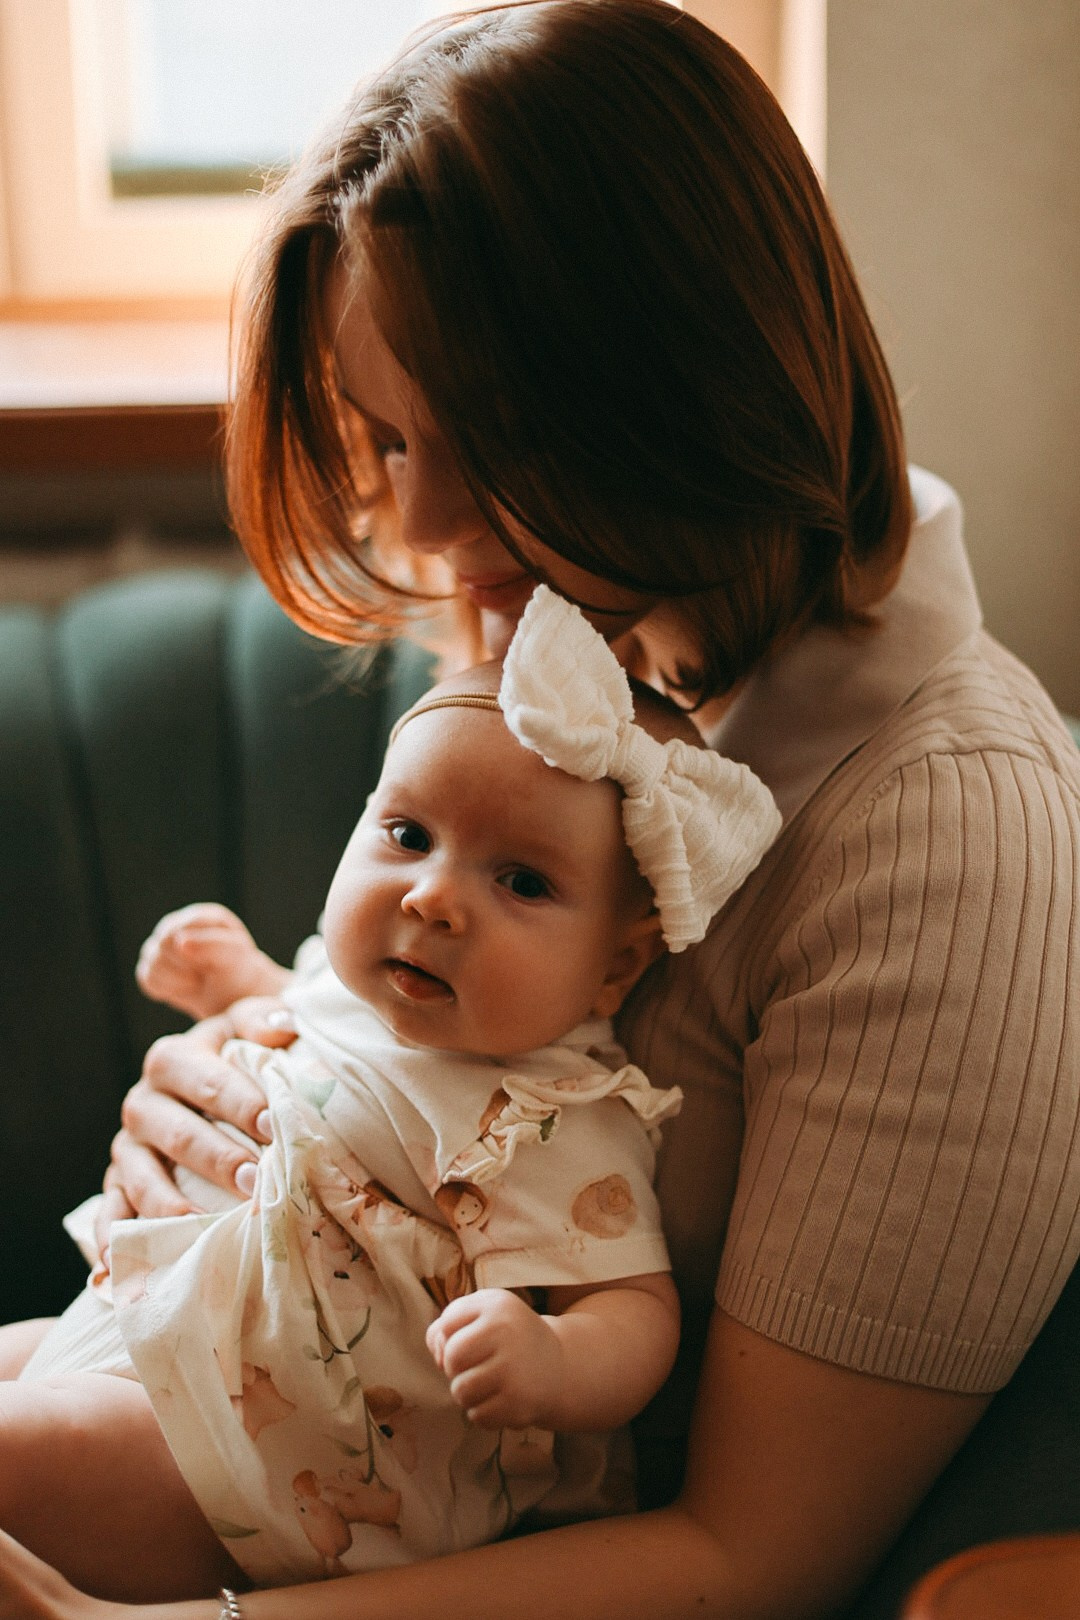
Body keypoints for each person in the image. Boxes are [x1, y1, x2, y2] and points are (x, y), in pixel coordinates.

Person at [1, 1, 1078, 1617]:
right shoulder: (576, 644)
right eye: (389, 438)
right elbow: (382, 1048)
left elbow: (753, 1561)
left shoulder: (951, 848)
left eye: (482, 436)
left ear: (679, 389)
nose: (422, 525)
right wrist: (224, 1083)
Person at [0, 586, 779, 1601]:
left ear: (615, 972)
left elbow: (634, 1306)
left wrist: (551, 1356)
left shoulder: (552, 1116)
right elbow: (319, 1034)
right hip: (135, 1334)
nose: (433, 896)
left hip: (268, 1462)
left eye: (523, 882)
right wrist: (244, 979)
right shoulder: (351, 991)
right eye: (408, 835)